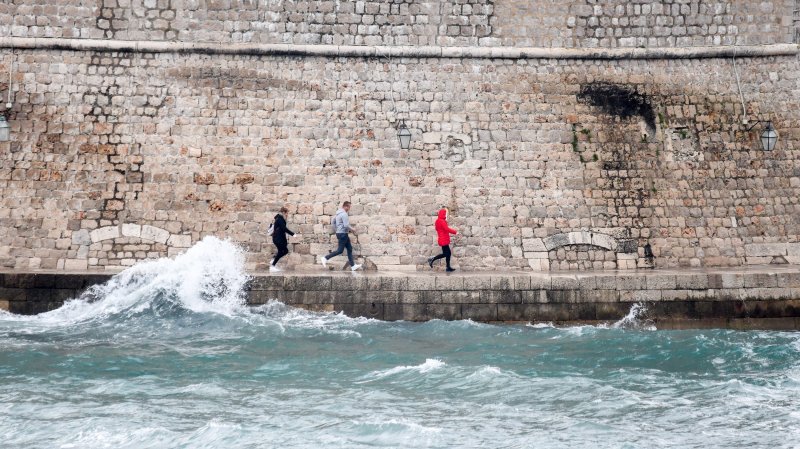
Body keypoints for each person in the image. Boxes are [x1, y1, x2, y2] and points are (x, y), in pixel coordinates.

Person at [320, 201, 362, 271]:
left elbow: (333, 222)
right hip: (343, 234)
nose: (349, 208)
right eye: (349, 207)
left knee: (349, 249)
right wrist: (353, 229)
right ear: (346, 206)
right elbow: (346, 225)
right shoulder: (344, 214)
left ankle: (353, 266)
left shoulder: (338, 213)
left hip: (340, 233)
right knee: (340, 251)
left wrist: (337, 230)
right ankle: (325, 258)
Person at [428, 207, 458, 272]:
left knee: (448, 253)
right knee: (446, 253)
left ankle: (448, 267)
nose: (445, 215)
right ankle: (432, 259)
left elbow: (438, 229)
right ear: (443, 214)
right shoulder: (442, 221)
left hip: (442, 238)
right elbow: (446, 229)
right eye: (445, 214)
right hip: (443, 239)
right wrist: (455, 232)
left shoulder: (437, 221)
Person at [269, 207, 297, 272]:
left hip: (278, 238)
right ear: (284, 212)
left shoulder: (281, 219)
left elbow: (282, 230)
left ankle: (273, 259)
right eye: (287, 213)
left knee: (284, 251)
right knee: (283, 251)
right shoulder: (279, 219)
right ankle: (272, 266)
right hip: (277, 239)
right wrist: (293, 234)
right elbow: (284, 229)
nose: (287, 214)